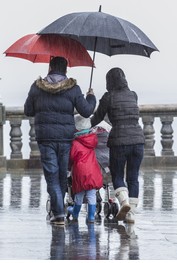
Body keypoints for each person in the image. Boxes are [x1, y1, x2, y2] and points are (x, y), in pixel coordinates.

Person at [24, 56, 96, 225]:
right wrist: (91, 97)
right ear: (66, 69)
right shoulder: (73, 88)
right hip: (65, 138)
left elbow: (28, 110)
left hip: (45, 137)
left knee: (52, 175)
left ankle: (58, 214)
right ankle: (58, 211)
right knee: (62, 175)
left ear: (50, 67)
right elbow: (86, 111)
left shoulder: (37, 87)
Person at [90, 67, 145, 224]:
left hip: (119, 142)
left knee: (117, 176)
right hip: (138, 141)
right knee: (133, 178)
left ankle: (124, 203)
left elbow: (97, 118)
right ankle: (130, 214)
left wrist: (83, 125)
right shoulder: (133, 95)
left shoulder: (109, 97)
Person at [67, 116, 103, 223]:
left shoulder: (75, 143)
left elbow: (72, 157)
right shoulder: (93, 141)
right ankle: (91, 216)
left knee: (79, 194)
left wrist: (68, 168)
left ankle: (75, 213)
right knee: (91, 195)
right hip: (93, 171)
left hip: (80, 171)